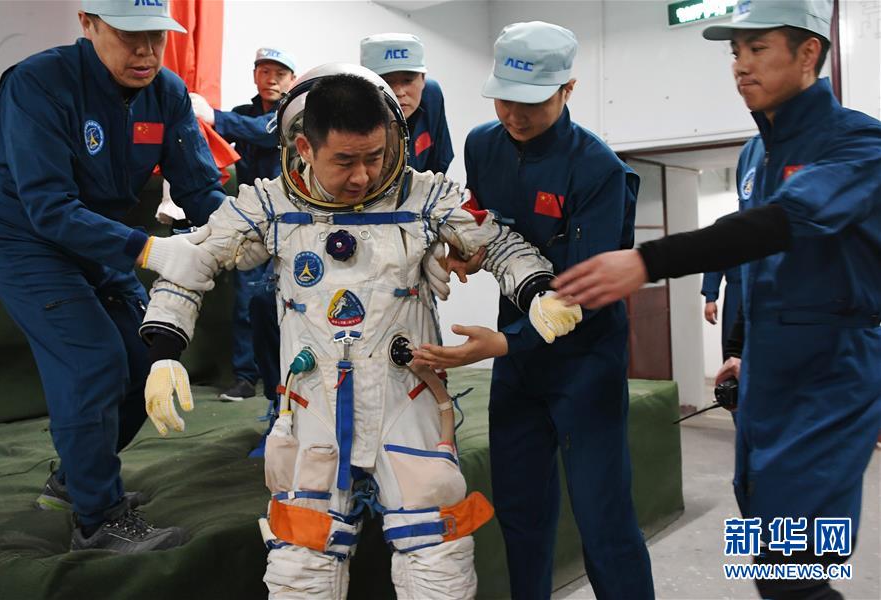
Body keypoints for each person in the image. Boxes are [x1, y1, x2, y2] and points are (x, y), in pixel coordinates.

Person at [137, 64, 583, 598]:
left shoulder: (424, 198)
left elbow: (499, 242)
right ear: (304, 146)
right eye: (344, 161)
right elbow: (194, 259)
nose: (363, 176)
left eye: (374, 157)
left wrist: (539, 291)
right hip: (312, 406)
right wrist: (165, 350)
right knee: (303, 558)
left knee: (437, 551)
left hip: (408, 395)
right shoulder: (271, 206)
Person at [552, 1, 880, 597]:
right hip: (767, 376)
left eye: (758, 50)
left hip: (830, 377)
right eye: (735, 52)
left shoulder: (859, 143)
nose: (740, 66)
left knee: (798, 569)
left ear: (809, 53)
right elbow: (760, 267)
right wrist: (745, 350)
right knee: (763, 544)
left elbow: (783, 224)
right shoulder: (756, 153)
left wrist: (647, 261)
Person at [411, 21, 655, 600]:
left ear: (567, 90)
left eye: (532, 102)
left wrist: (505, 343)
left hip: (585, 365)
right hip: (518, 371)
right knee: (521, 516)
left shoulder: (598, 170)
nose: (514, 116)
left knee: (604, 524)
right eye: (503, 98)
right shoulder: (482, 143)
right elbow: (483, 220)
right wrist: (463, 249)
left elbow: (591, 290)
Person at [0, 0, 227, 552]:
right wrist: (152, 252)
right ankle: (98, 521)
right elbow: (48, 206)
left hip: (102, 240)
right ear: (88, 24)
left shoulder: (166, 92)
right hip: (25, 239)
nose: (145, 51)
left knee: (148, 354)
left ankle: (76, 480)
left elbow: (200, 190)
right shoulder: (37, 83)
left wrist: (250, 233)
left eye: (156, 37)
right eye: (128, 34)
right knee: (93, 358)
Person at [190, 47, 297, 402]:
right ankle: (247, 377)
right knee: (248, 301)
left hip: (294, 222)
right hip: (253, 222)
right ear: (254, 76)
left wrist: (213, 117)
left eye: (279, 74)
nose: (271, 79)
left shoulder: (296, 114)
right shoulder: (242, 114)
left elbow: (267, 133)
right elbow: (215, 150)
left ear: (292, 80)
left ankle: (289, 376)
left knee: (295, 301)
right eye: (264, 72)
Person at [360, 33, 453, 175]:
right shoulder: (350, 111)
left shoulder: (431, 96)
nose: (399, 92)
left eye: (408, 80)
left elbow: (439, 164)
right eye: (387, 82)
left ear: (423, 79)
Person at [702, 265, 742, 355]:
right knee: (733, 340)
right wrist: (710, 298)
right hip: (736, 291)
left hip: (767, 290)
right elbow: (716, 257)